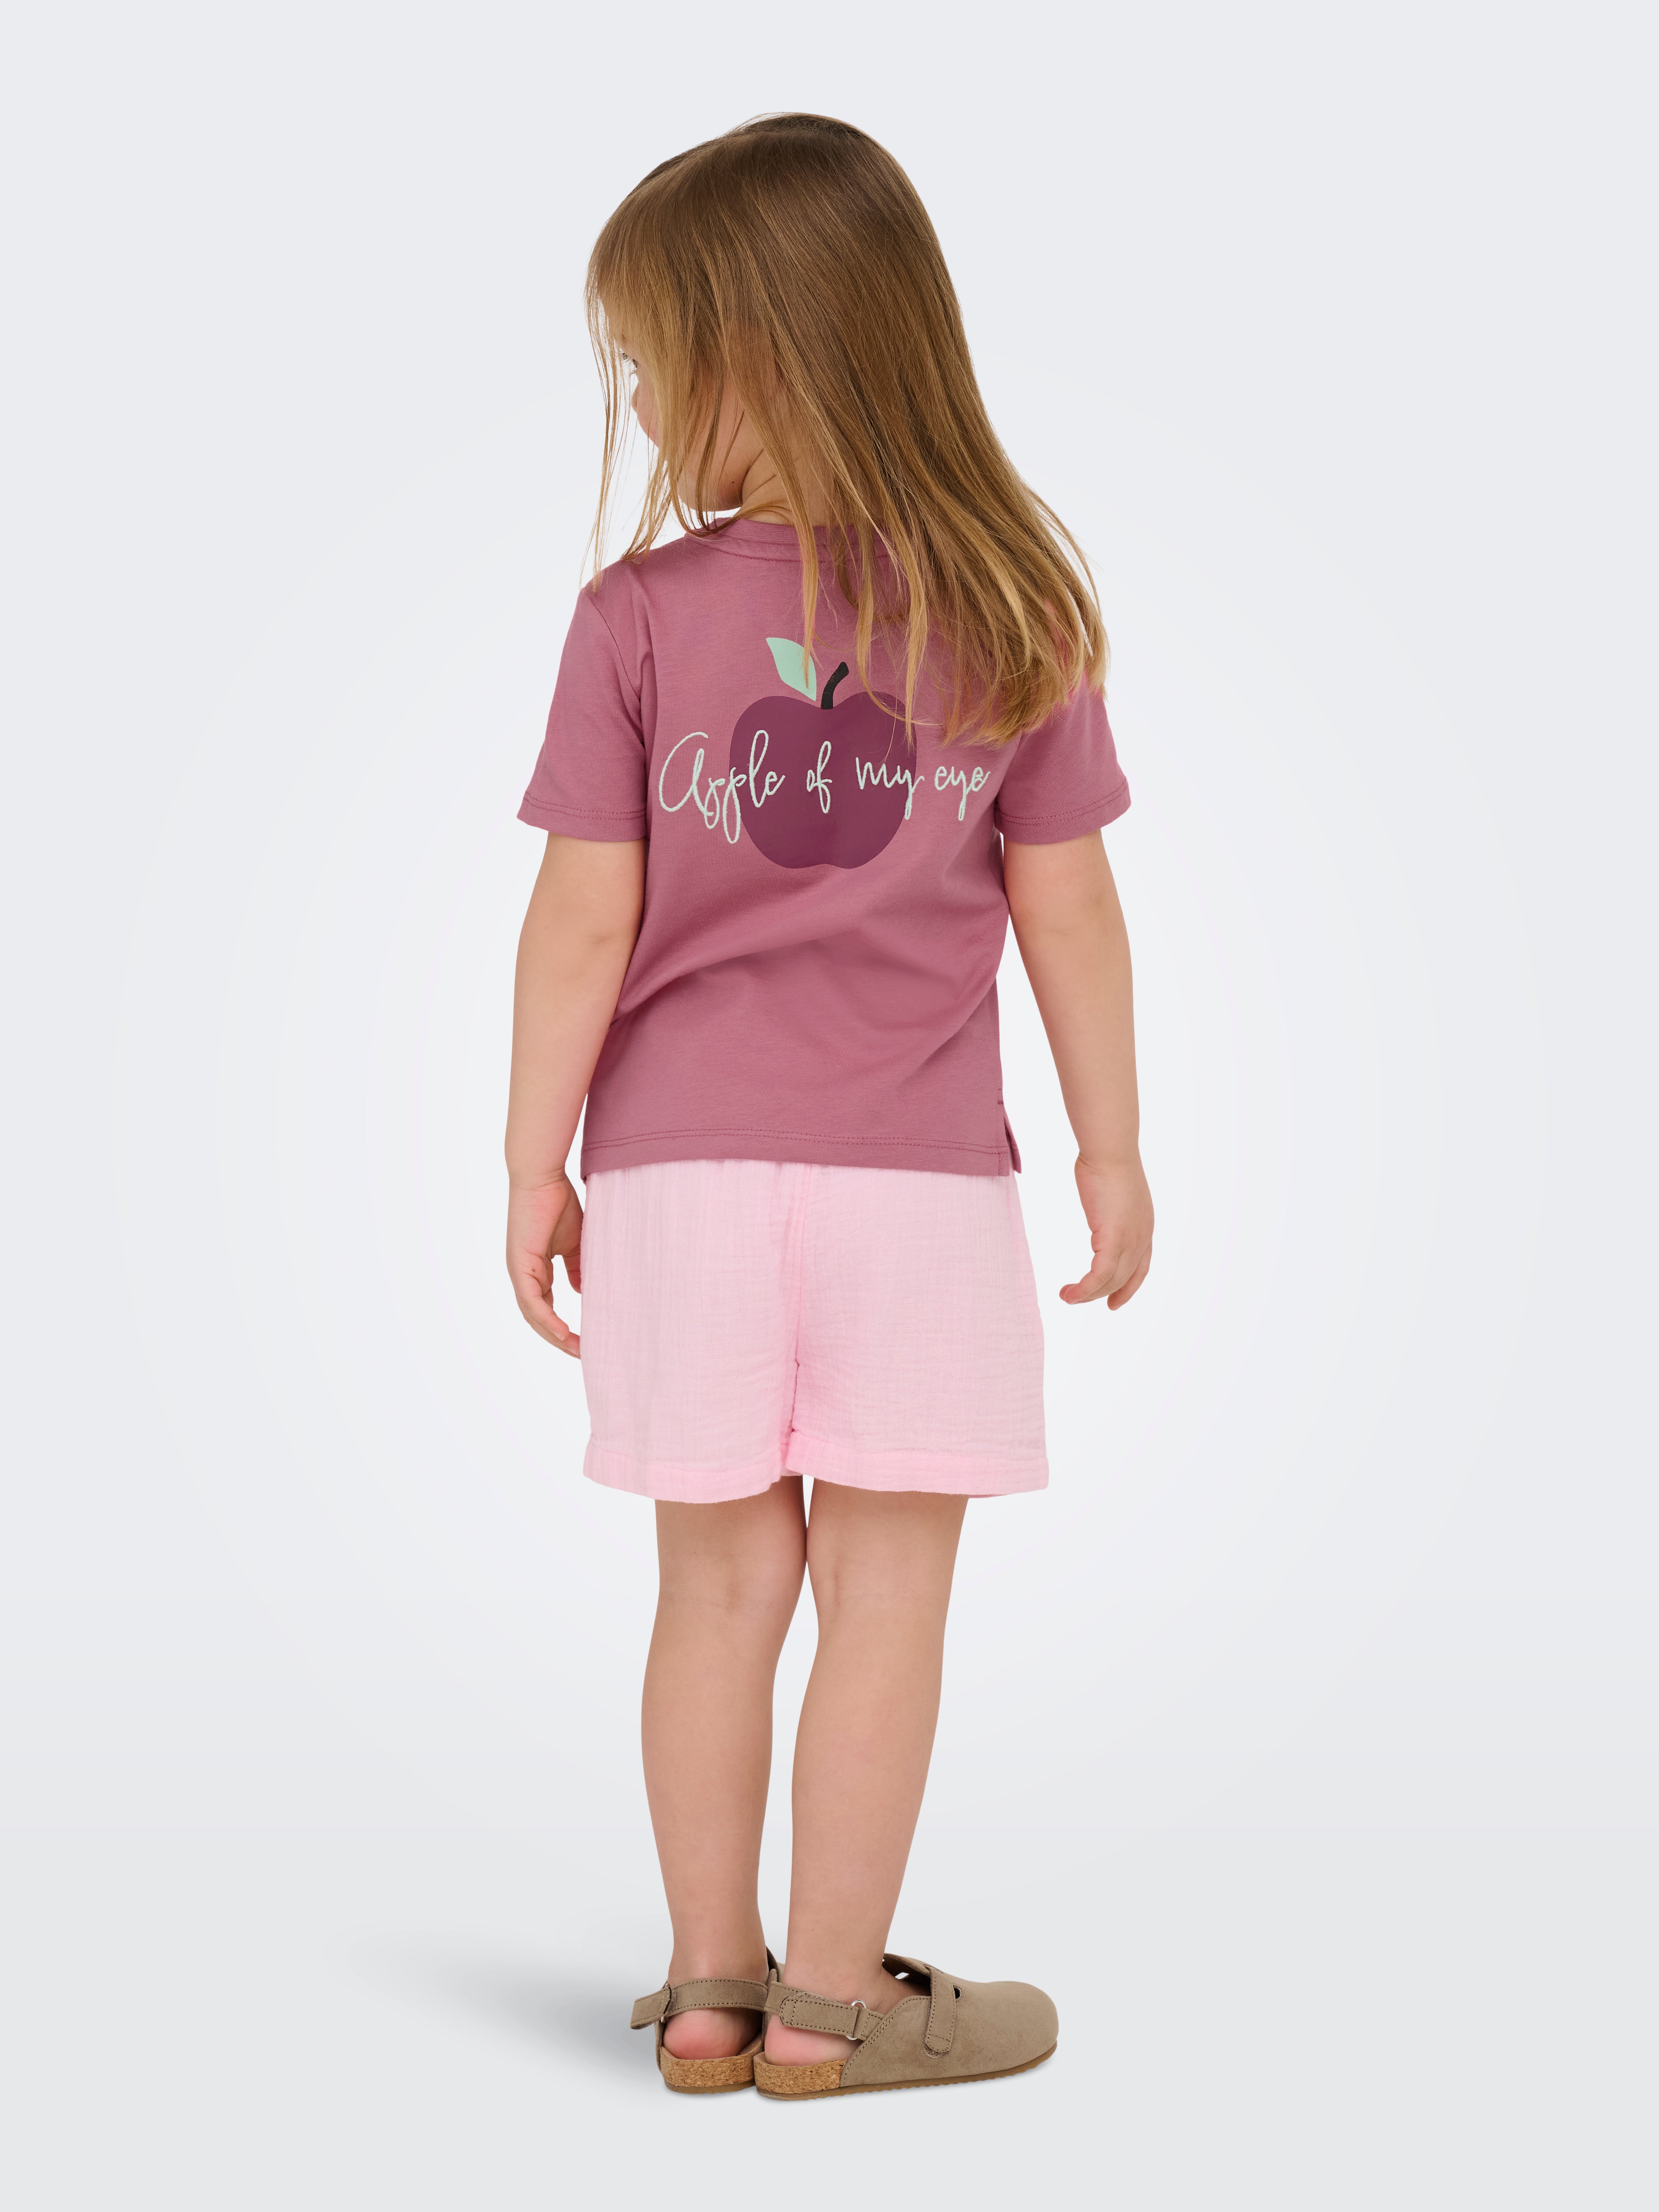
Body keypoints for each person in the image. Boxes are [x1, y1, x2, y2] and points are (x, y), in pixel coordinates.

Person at [504, 113, 1153, 2101]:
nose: (638, 405)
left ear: (754, 355)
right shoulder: (1013, 596)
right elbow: (1068, 902)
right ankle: (834, 2009)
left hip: (682, 1180)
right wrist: (1114, 1146)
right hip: (919, 1187)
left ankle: (709, 1992)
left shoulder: (635, 617)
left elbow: (583, 912)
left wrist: (530, 1156)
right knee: (888, 1597)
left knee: (715, 1590)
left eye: (654, 364)